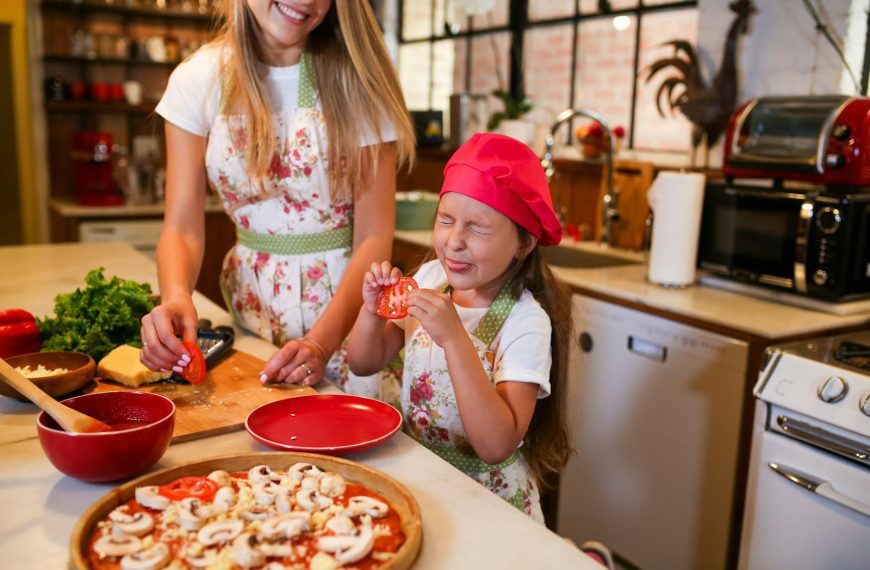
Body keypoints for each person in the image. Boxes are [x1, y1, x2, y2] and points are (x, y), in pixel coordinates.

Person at [139, 0, 414, 395]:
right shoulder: (200, 78)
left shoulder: (360, 79)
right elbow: (182, 228)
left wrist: (321, 343)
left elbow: (374, 237)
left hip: (350, 327)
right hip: (251, 316)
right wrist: (176, 297)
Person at [346, 132, 573, 523]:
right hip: (423, 480)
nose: (454, 241)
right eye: (446, 220)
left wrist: (454, 338)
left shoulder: (524, 322)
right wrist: (371, 311)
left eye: (478, 228)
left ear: (524, 243)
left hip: (487, 503)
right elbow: (363, 362)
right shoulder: (432, 278)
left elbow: (496, 444)